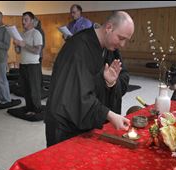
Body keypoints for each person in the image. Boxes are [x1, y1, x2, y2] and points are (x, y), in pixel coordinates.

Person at [45, 11, 134, 147]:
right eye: (121, 38)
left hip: (88, 121)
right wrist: (109, 114)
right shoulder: (78, 47)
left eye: (126, 40)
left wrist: (111, 83)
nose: (122, 45)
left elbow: (124, 76)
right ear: (109, 27)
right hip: (65, 122)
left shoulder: (111, 48)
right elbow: (75, 95)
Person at [13, 12, 43, 115]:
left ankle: (37, 109)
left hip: (33, 65)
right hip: (23, 64)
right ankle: (30, 108)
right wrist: (16, 45)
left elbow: (37, 50)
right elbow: (18, 51)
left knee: (34, 89)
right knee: (26, 89)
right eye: (22, 19)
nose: (23, 22)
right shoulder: (21, 34)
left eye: (26, 19)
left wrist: (23, 44)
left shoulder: (36, 33)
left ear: (32, 21)